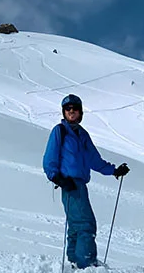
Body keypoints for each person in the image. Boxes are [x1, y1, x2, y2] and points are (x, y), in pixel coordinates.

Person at [42, 93, 130, 270]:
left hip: (80, 184)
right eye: (68, 109)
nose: (71, 111)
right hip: (69, 183)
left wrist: (114, 171)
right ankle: (86, 264)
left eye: (75, 108)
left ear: (81, 112)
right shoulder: (59, 131)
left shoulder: (83, 135)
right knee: (86, 224)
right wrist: (58, 178)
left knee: (76, 225)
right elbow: (49, 159)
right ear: (64, 112)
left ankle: (75, 261)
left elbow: (94, 160)